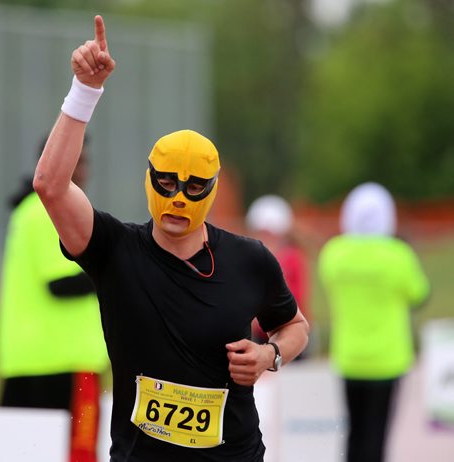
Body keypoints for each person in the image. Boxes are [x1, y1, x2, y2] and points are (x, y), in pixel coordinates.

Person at [33, 15, 309, 462]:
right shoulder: (113, 249)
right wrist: (85, 90)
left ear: (213, 188)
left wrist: (269, 355)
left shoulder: (249, 259)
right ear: (149, 180)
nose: (178, 199)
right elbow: (50, 185)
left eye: (195, 186)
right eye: (166, 183)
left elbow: (295, 326)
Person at [0, 134, 109, 462]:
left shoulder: (28, 210)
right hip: (67, 358)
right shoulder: (50, 211)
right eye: (78, 162)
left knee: (21, 454)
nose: (85, 172)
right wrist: (115, 269)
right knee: (79, 454)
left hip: (26, 358)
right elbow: (61, 283)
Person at [318, 182, 430, 462]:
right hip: (389, 359)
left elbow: (328, 281)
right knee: (377, 437)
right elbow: (420, 295)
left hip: (350, 357)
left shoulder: (334, 253)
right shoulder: (399, 255)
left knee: (354, 432)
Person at [245, 195, 312, 352]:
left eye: (268, 233)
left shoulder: (292, 257)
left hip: (288, 332)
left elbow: (297, 296)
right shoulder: (251, 257)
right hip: (260, 335)